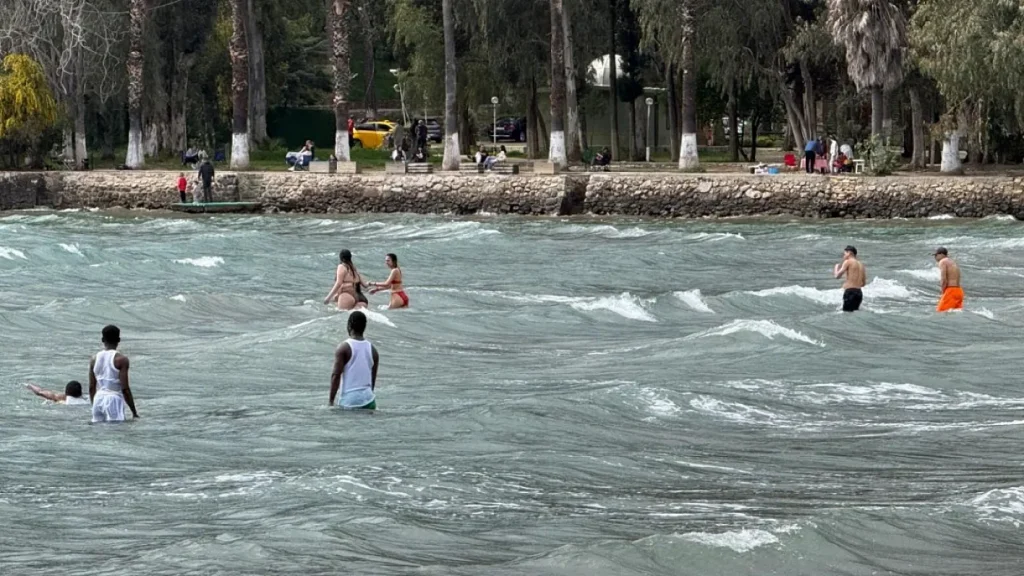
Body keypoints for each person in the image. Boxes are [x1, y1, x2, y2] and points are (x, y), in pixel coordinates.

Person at [329, 311, 379, 410]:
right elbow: (372, 380)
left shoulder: (343, 348)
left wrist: (330, 401)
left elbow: (336, 375)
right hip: (369, 400)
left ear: (349, 325)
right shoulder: (373, 350)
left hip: (350, 401)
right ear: (364, 327)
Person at [89, 325, 139, 423]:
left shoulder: (94, 359)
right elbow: (125, 389)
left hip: (98, 399)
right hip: (114, 399)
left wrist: (94, 404)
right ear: (119, 340)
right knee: (116, 433)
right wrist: (134, 412)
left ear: (102, 339)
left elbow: (91, 386)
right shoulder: (121, 360)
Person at [834, 245, 866, 312]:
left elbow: (837, 276)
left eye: (844, 254)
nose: (843, 256)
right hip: (859, 293)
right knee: (855, 314)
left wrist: (836, 267)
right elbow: (863, 283)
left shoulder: (848, 261)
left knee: (846, 314)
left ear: (849, 253)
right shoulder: (861, 264)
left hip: (850, 292)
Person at [934, 247, 964, 312]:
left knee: (940, 312)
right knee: (955, 313)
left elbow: (944, 279)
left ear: (941, 254)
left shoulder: (942, 261)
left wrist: (943, 292)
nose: (935, 257)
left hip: (951, 290)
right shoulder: (952, 262)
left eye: (936, 255)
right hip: (959, 291)